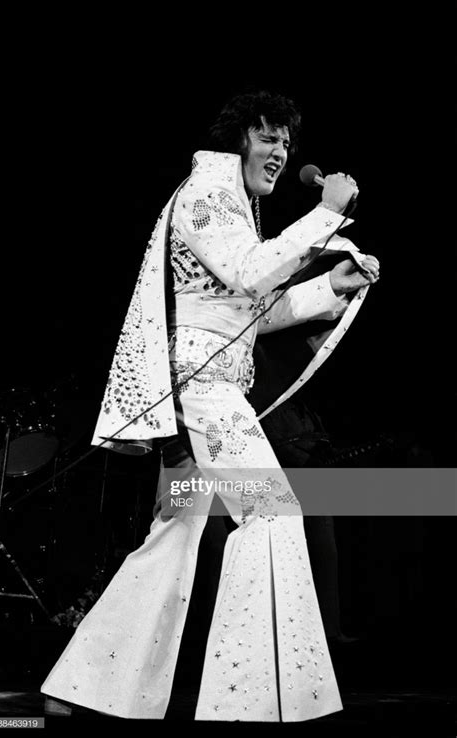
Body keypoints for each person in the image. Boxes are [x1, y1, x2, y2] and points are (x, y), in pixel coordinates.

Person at [41, 90, 379, 722]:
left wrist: (328, 286)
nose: (281, 152)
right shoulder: (207, 191)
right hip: (202, 396)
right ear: (238, 139)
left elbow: (248, 311)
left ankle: (85, 687)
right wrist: (326, 215)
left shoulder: (236, 207)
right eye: (269, 137)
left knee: (177, 533)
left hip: (205, 392)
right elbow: (251, 274)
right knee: (271, 516)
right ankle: (248, 702)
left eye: (286, 141)